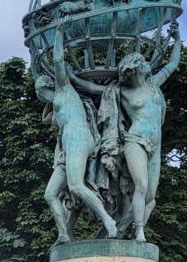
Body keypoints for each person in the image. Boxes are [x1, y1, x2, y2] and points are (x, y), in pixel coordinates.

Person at [70, 23, 182, 242]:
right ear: (135, 69)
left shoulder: (153, 85)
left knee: (151, 197)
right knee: (141, 186)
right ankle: (139, 231)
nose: (149, 64)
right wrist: (72, 79)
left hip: (155, 145)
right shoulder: (122, 92)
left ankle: (115, 233)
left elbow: (173, 63)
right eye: (144, 63)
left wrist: (177, 39)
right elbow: (94, 90)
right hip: (135, 141)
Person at [35, 22, 118, 246]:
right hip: (68, 146)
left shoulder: (63, 89)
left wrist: (60, 33)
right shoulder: (56, 105)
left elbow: (59, 61)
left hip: (80, 139)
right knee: (50, 194)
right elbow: (46, 119)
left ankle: (108, 220)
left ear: (46, 87)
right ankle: (64, 235)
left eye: (39, 89)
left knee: (76, 186)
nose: (39, 92)